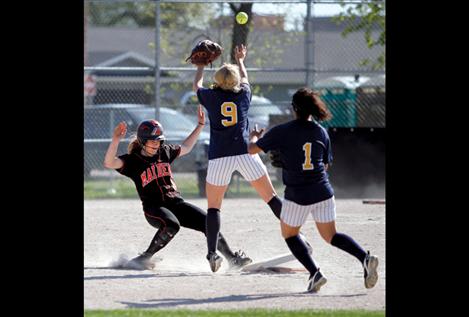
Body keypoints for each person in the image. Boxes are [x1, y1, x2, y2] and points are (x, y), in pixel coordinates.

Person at [247, 87, 379, 292]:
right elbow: (324, 165)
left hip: (298, 194)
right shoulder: (321, 131)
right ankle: (365, 257)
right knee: (331, 236)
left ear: (294, 109)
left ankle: (315, 273)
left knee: (290, 235)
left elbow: (252, 150)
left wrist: (255, 137)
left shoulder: (283, 130)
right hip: (323, 192)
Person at [193, 44, 307, 272]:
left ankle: (212, 253)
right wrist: (241, 59)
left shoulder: (211, 97)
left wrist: (200, 66)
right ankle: (297, 235)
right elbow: (244, 77)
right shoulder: (244, 95)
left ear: (217, 80)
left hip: (219, 157)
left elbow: (196, 85)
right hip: (245, 153)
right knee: (272, 199)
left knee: (214, 208)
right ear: (234, 82)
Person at [103, 105, 252, 270]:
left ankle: (232, 259)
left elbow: (186, 147)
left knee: (208, 222)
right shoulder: (133, 161)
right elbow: (109, 162)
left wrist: (200, 125)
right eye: (152, 141)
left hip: (176, 203)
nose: (157, 145)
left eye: (159, 141)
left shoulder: (164, 152)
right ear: (142, 141)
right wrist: (116, 139)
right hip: (155, 208)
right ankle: (143, 258)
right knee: (172, 225)